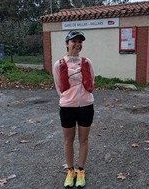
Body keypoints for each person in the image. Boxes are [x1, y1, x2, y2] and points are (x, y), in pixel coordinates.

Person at [53, 31, 95, 188]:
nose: (78, 44)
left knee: (83, 140)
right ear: (66, 43)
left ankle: (81, 171)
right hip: (67, 107)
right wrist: (68, 98)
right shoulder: (59, 64)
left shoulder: (87, 62)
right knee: (68, 141)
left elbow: (92, 80)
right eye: (74, 41)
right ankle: (70, 171)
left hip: (86, 106)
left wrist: (84, 97)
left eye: (80, 41)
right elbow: (59, 87)